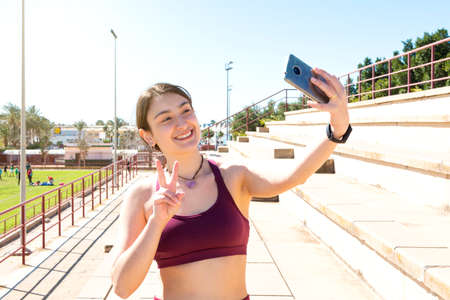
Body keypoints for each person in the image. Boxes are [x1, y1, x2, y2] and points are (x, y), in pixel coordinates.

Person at [110, 70, 351, 299]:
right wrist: (156, 224)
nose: (182, 123)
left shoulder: (232, 175)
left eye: (186, 111)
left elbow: (293, 174)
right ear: (148, 136)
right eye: (166, 119)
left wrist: (337, 129)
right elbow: (122, 287)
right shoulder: (142, 195)